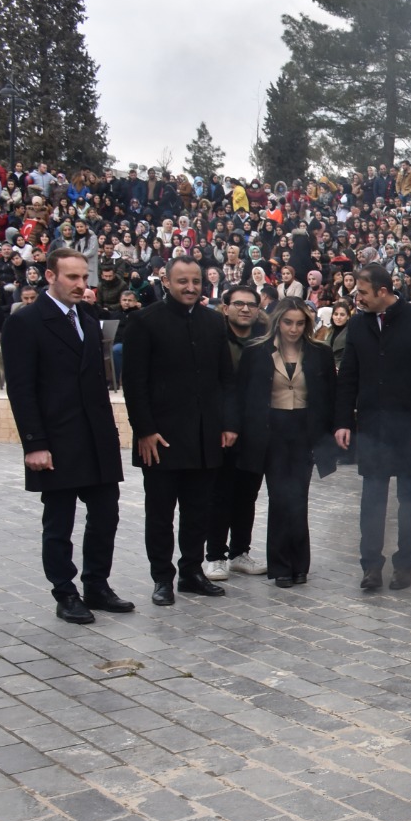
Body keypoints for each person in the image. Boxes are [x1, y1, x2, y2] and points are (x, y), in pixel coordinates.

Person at [3, 248, 133, 624]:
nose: (81, 285)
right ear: (50, 277)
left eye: (84, 278)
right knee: (59, 521)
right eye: (72, 278)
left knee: (106, 513)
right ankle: (65, 592)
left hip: (96, 437)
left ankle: (97, 584)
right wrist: (35, 444)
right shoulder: (26, 322)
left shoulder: (88, 319)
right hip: (56, 440)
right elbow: (21, 389)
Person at [120, 256, 236, 606]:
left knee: (198, 511)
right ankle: (162, 578)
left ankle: (191, 572)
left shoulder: (215, 322)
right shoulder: (144, 321)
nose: (190, 287)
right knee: (160, 513)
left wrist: (229, 423)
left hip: (204, 435)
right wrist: (144, 430)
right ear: (166, 282)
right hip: (160, 437)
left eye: (196, 281)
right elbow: (134, 383)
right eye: (182, 281)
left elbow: (225, 379)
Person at [333, 263, 411, 591]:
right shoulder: (357, 325)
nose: (357, 298)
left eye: (363, 293)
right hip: (374, 428)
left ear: (383, 292)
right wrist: (343, 421)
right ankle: (371, 566)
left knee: (409, 501)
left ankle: (404, 565)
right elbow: (349, 377)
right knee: (372, 501)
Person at [233, 298, 337, 587]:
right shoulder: (257, 352)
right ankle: (280, 565)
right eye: (288, 322)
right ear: (278, 321)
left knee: (299, 497)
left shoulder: (319, 353)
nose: (293, 328)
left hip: (304, 430)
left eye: (300, 323)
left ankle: (300, 564)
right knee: (279, 497)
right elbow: (242, 394)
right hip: (271, 430)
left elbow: (330, 395)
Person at [203, 285, 267, 581]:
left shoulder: (266, 339)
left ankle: (240, 551)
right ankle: (214, 555)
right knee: (220, 494)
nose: (245, 309)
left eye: (251, 304)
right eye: (238, 304)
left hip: (255, 428)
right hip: (222, 429)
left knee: (248, 493)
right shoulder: (214, 338)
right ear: (225, 307)